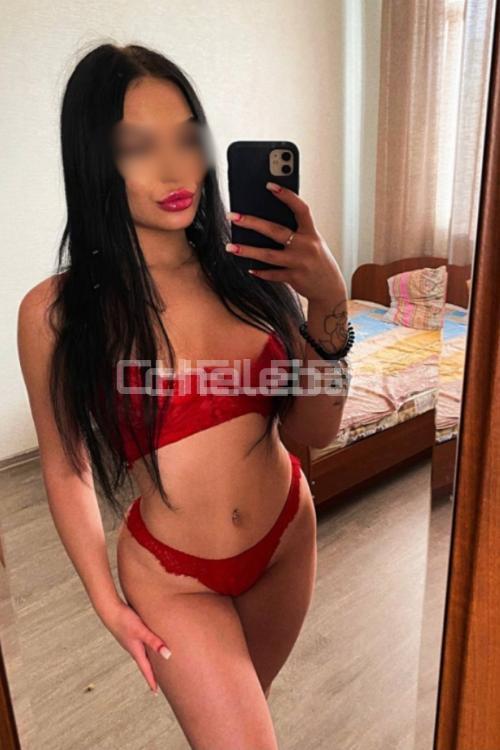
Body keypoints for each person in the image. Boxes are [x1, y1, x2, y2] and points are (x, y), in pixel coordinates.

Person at [17, 43, 351, 750]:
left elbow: (312, 432)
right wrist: (104, 600)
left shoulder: (254, 269)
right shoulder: (58, 313)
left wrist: (329, 305)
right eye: (140, 147)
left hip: (286, 539)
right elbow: (67, 465)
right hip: (175, 580)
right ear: (96, 161)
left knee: (244, 719)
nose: (175, 170)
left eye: (187, 139)